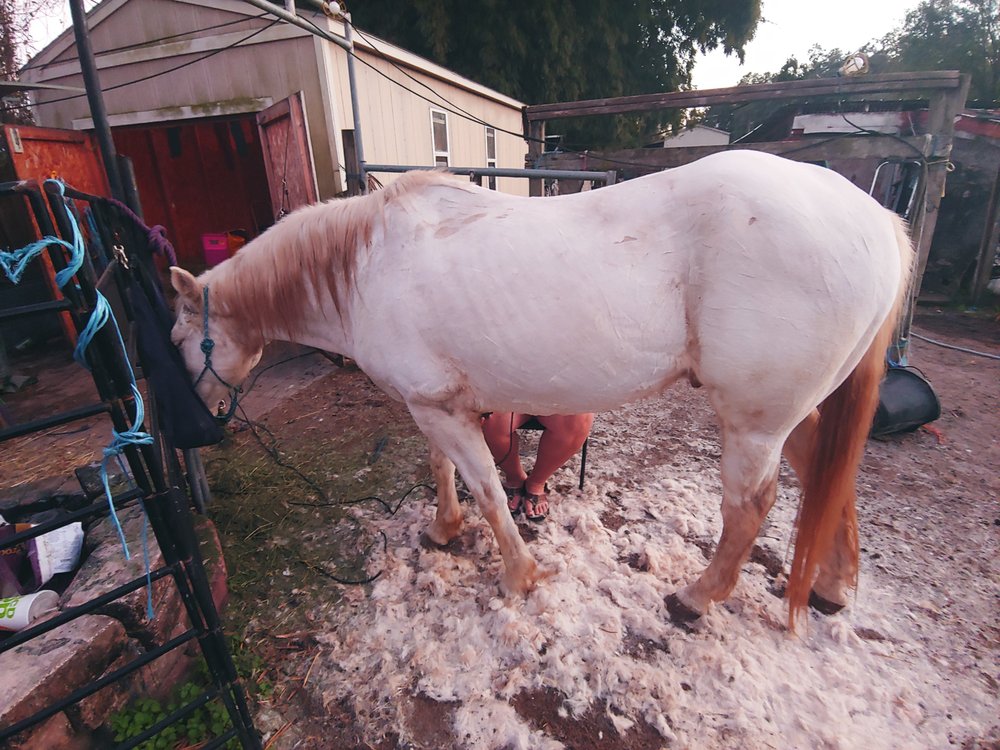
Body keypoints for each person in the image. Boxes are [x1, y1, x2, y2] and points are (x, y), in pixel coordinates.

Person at [481, 412, 594, 522]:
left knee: (578, 421)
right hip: (511, 398)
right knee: (488, 420)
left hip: (557, 399)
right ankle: (514, 476)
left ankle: (537, 481)